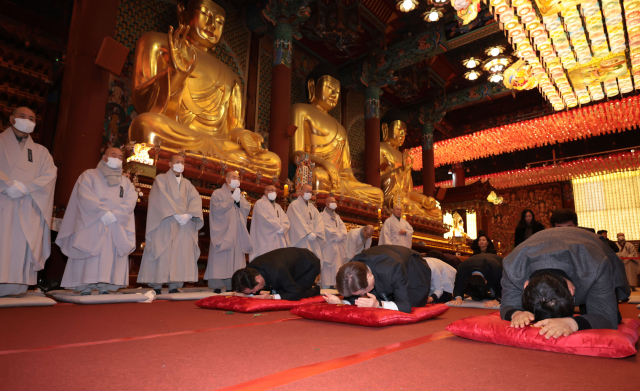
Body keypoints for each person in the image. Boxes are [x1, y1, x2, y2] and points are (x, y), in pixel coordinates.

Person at [501, 228, 630, 339]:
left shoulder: (595, 265)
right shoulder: (513, 266)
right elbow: (508, 304)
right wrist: (516, 313)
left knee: (611, 317)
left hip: (589, 244)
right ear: (525, 286)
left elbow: (607, 317)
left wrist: (572, 322)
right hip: (540, 243)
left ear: (572, 290)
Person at [57, 148, 137, 295]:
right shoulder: (89, 175)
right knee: (89, 252)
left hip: (115, 222)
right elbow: (85, 195)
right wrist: (102, 212)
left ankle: (105, 286)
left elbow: (131, 200)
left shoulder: (125, 182)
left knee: (110, 253)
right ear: (104, 157)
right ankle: (84, 286)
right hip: (93, 221)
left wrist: (115, 214)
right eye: (114, 155)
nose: (117, 158)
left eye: (120, 157)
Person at [0, 107, 57, 297]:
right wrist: (6, 184)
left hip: (28, 205)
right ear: (11, 118)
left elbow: (50, 175)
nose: (27, 120)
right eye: (22, 116)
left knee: (20, 244)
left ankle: (16, 287)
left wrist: (26, 188)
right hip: (3, 200)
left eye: (32, 118)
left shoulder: (41, 152)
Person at [137, 155, 204, 294]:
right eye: (178, 162)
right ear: (170, 164)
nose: (181, 164)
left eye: (183, 162)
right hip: (165, 220)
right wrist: (174, 213)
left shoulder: (188, 184)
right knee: (162, 251)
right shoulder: (161, 179)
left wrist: (189, 215)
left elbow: (196, 199)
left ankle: (174, 285)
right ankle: (157, 285)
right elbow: (159, 197)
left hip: (184, 223)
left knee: (180, 253)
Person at [324, 245, 432, 313]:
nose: (362, 295)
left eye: (362, 292)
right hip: (382, 265)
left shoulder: (391, 269)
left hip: (414, 268)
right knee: (380, 297)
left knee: (413, 303)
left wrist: (379, 305)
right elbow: (356, 295)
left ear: (370, 277)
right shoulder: (353, 268)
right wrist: (342, 302)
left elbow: (405, 306)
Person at [205, 170, 252, 292]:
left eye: (238, 177)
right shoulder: (218, 193)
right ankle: (217, 285)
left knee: (235, 257)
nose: (237, 179)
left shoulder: (239, 195)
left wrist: (238, 200)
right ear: (226, 179)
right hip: (223, 231)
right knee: (220, 256)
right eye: (234, 177)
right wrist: (231, 200)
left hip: (236, 231)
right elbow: (217, 210)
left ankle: (233, 284)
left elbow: (247, 208)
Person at [231, 247, 321, 301]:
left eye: (253, 291)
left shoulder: (277, 271)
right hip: (287, 266)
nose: (254, 293)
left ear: (258, 278)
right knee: (280, 293)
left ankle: (315, 290)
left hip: (308, 264)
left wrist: (271, 297)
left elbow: (295, 293)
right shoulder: (248, 271)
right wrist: (246, 294)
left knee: (294, 294)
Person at [249, 185, 289, 261]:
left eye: (275, 191)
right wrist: (278, 227)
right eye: (271, 190)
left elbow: (285, 219)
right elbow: (263, 219)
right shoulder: (260, 203)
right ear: (265, 192)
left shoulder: (278, 206)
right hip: (266, 238)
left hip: (278, 237)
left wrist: (284, 227)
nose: (274, 192)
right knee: (266, 259)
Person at [286, 184, 325, 259]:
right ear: (301, 192)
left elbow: (319, 220)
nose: (309, 194)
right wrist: (308, 232)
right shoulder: (294, 205)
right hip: (301, 237)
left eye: (311, 192)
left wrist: (316, 233)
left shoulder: (312, 207)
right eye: (307, 191)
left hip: (313, 238)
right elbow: (297, 220)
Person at [319, 196, 347, 288]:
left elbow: (343, 228)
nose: (334, 203)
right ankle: (326, 286)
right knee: (328, 265)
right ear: (327, 204)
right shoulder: (321, 216)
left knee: (337, 265)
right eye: (332, 202)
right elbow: (325, 228)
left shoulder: (337, 216)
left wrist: (341, 235)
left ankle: (335, 285)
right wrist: (336, 236)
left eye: (335, 201)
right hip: (328, 244)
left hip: (337, 244)